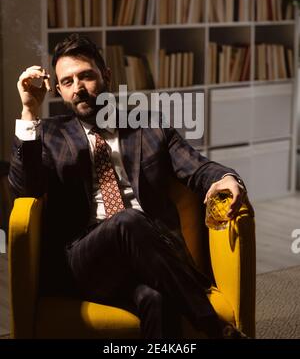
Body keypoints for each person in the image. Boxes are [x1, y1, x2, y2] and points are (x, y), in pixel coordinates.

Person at [9, 33, 249, 339]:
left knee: (156, 300)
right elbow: (24, 191)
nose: (78, 88)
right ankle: (216, 330)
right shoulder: (50, 134)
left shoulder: (150, 126)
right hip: (83, 262)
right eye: (67, 82)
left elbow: (197, 167)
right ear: (58, 90)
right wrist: (29, 111)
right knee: (127, 219)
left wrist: (227, 178)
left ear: (106, 76)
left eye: (86, 76)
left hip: (149, 257)